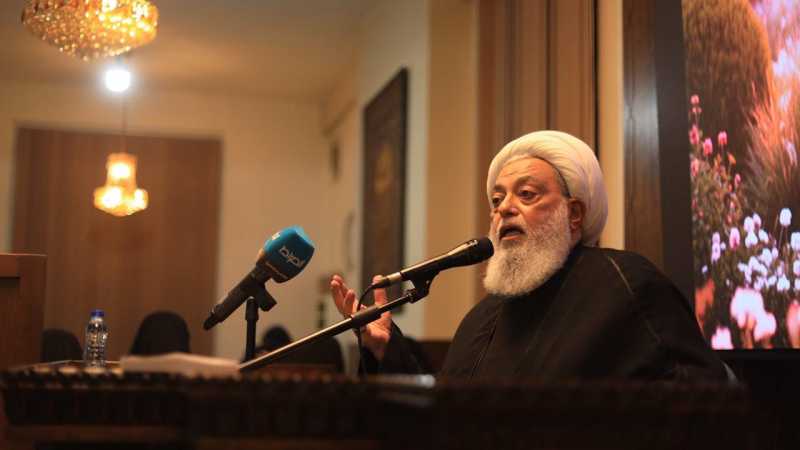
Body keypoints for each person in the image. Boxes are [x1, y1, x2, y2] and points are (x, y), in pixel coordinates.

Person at [330, 130, 728, 381]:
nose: (504, 208)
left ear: (574, 213)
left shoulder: (626, 284)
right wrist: (388, 350)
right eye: (497, 199)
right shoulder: (481, 319)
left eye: (526, 194)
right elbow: (446, 420)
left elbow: (701, 409)